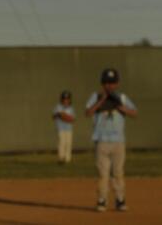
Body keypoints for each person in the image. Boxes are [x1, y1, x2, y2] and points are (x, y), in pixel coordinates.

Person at [84, 67, 137, 213]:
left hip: (118, 142)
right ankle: (102, 200)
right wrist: (101, 102)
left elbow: (134, 112)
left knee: (118, 172)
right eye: (106, 82)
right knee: (103, 174)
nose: (109, 85)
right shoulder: (95, 97)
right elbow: (88, 113)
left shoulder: (122, 98)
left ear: (117, 83)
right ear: (102, 83)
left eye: (112, 83)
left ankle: (120, 200)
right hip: (101, 142)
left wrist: (120, 107)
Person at [51, 90, 76, 164]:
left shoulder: (71, 108)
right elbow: (54, 116)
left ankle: (68, 159)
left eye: (67, 99)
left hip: (69, 128)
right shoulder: (58, 106)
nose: (66, 100)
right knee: (62, 142)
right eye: (64, 99)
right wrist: (62, 115)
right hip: (61, 128)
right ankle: (61, 158)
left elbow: (72, 119)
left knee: (68, 143)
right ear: (61, 99)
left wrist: (64, 116)